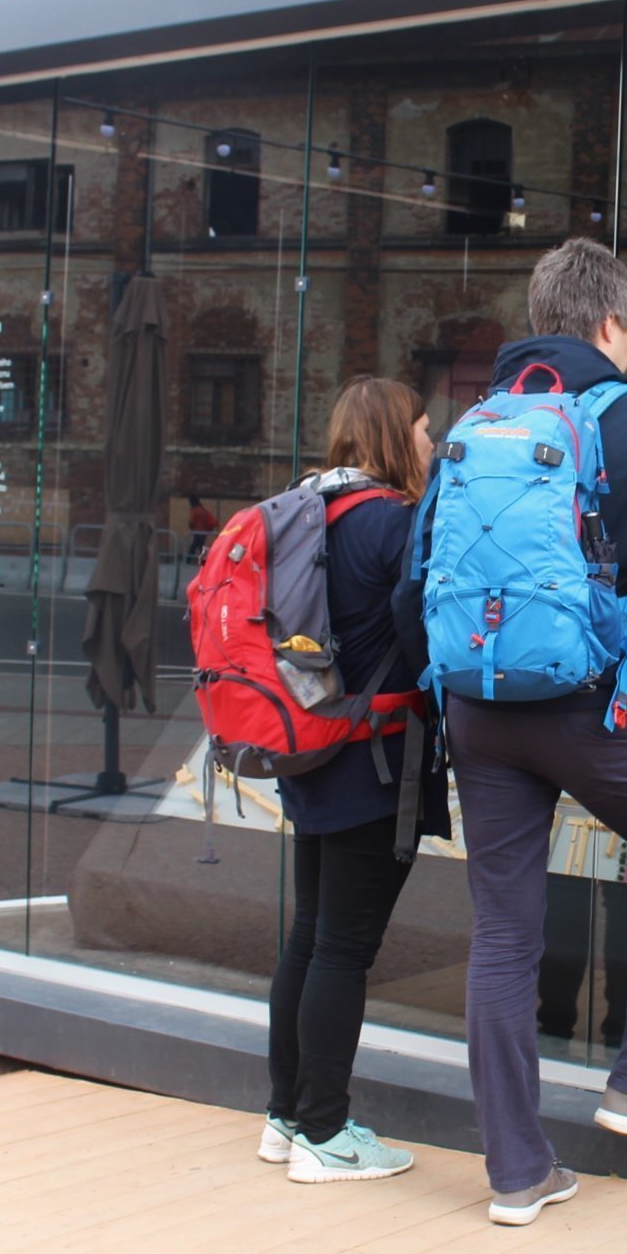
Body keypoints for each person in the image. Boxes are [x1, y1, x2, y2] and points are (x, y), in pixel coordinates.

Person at [404, 238, 627, 1227]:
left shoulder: (473, 423)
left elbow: (418, 574)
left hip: (479, 708)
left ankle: (517, 1173)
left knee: (504, 935)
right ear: (611, 323)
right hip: (592, 709)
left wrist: (453, 701)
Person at [257, 377, 448, 1184]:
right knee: (343, 947)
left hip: (312, 747)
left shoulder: (304, 511)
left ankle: (288, 1115)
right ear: (394, 437)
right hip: (374, 758)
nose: (433, 444)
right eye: (424, 430)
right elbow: (426, 634)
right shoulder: (393, 524)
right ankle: (326, 1137)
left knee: (310, 935)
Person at [185, 495, 218, 562]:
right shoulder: (203, 510)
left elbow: (191, 521)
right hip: (203, 532)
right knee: (200, 546)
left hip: (197, 531)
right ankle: (203, 560)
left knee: (194, 546)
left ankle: (188, 560)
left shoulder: (194, 510)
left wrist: (191, 527)